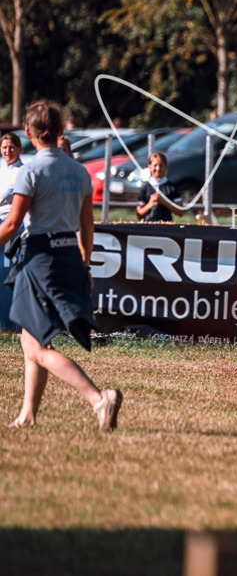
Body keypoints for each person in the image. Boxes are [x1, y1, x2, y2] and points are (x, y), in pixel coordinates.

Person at [0, 100, 122, 431]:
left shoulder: (31, 172)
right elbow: (87, 228)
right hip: (70, 255)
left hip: (40, 258)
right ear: (61, 132)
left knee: (36, 346)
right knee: (32, 337)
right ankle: (28, 415)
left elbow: (12, 225)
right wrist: (84, 266)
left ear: (28, 133)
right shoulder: (80, 171)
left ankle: (98, 399)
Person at [136, 152, 186, 222]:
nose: (158, 168)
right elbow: (138, 215)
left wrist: (164, 201)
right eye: (155, 165)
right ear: (149, 167)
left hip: (166, 226)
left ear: (166, 167)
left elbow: (181, 212)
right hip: (148, 226)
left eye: (161, 165)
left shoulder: (172, 187)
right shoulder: (145, 188)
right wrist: (151, 204)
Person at [0, 132, 24, 221]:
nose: (7, 151)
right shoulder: (2, 170)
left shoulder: (22, 172)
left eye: (11, 147)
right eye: (4, 148)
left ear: (19, 149)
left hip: (9, 221)